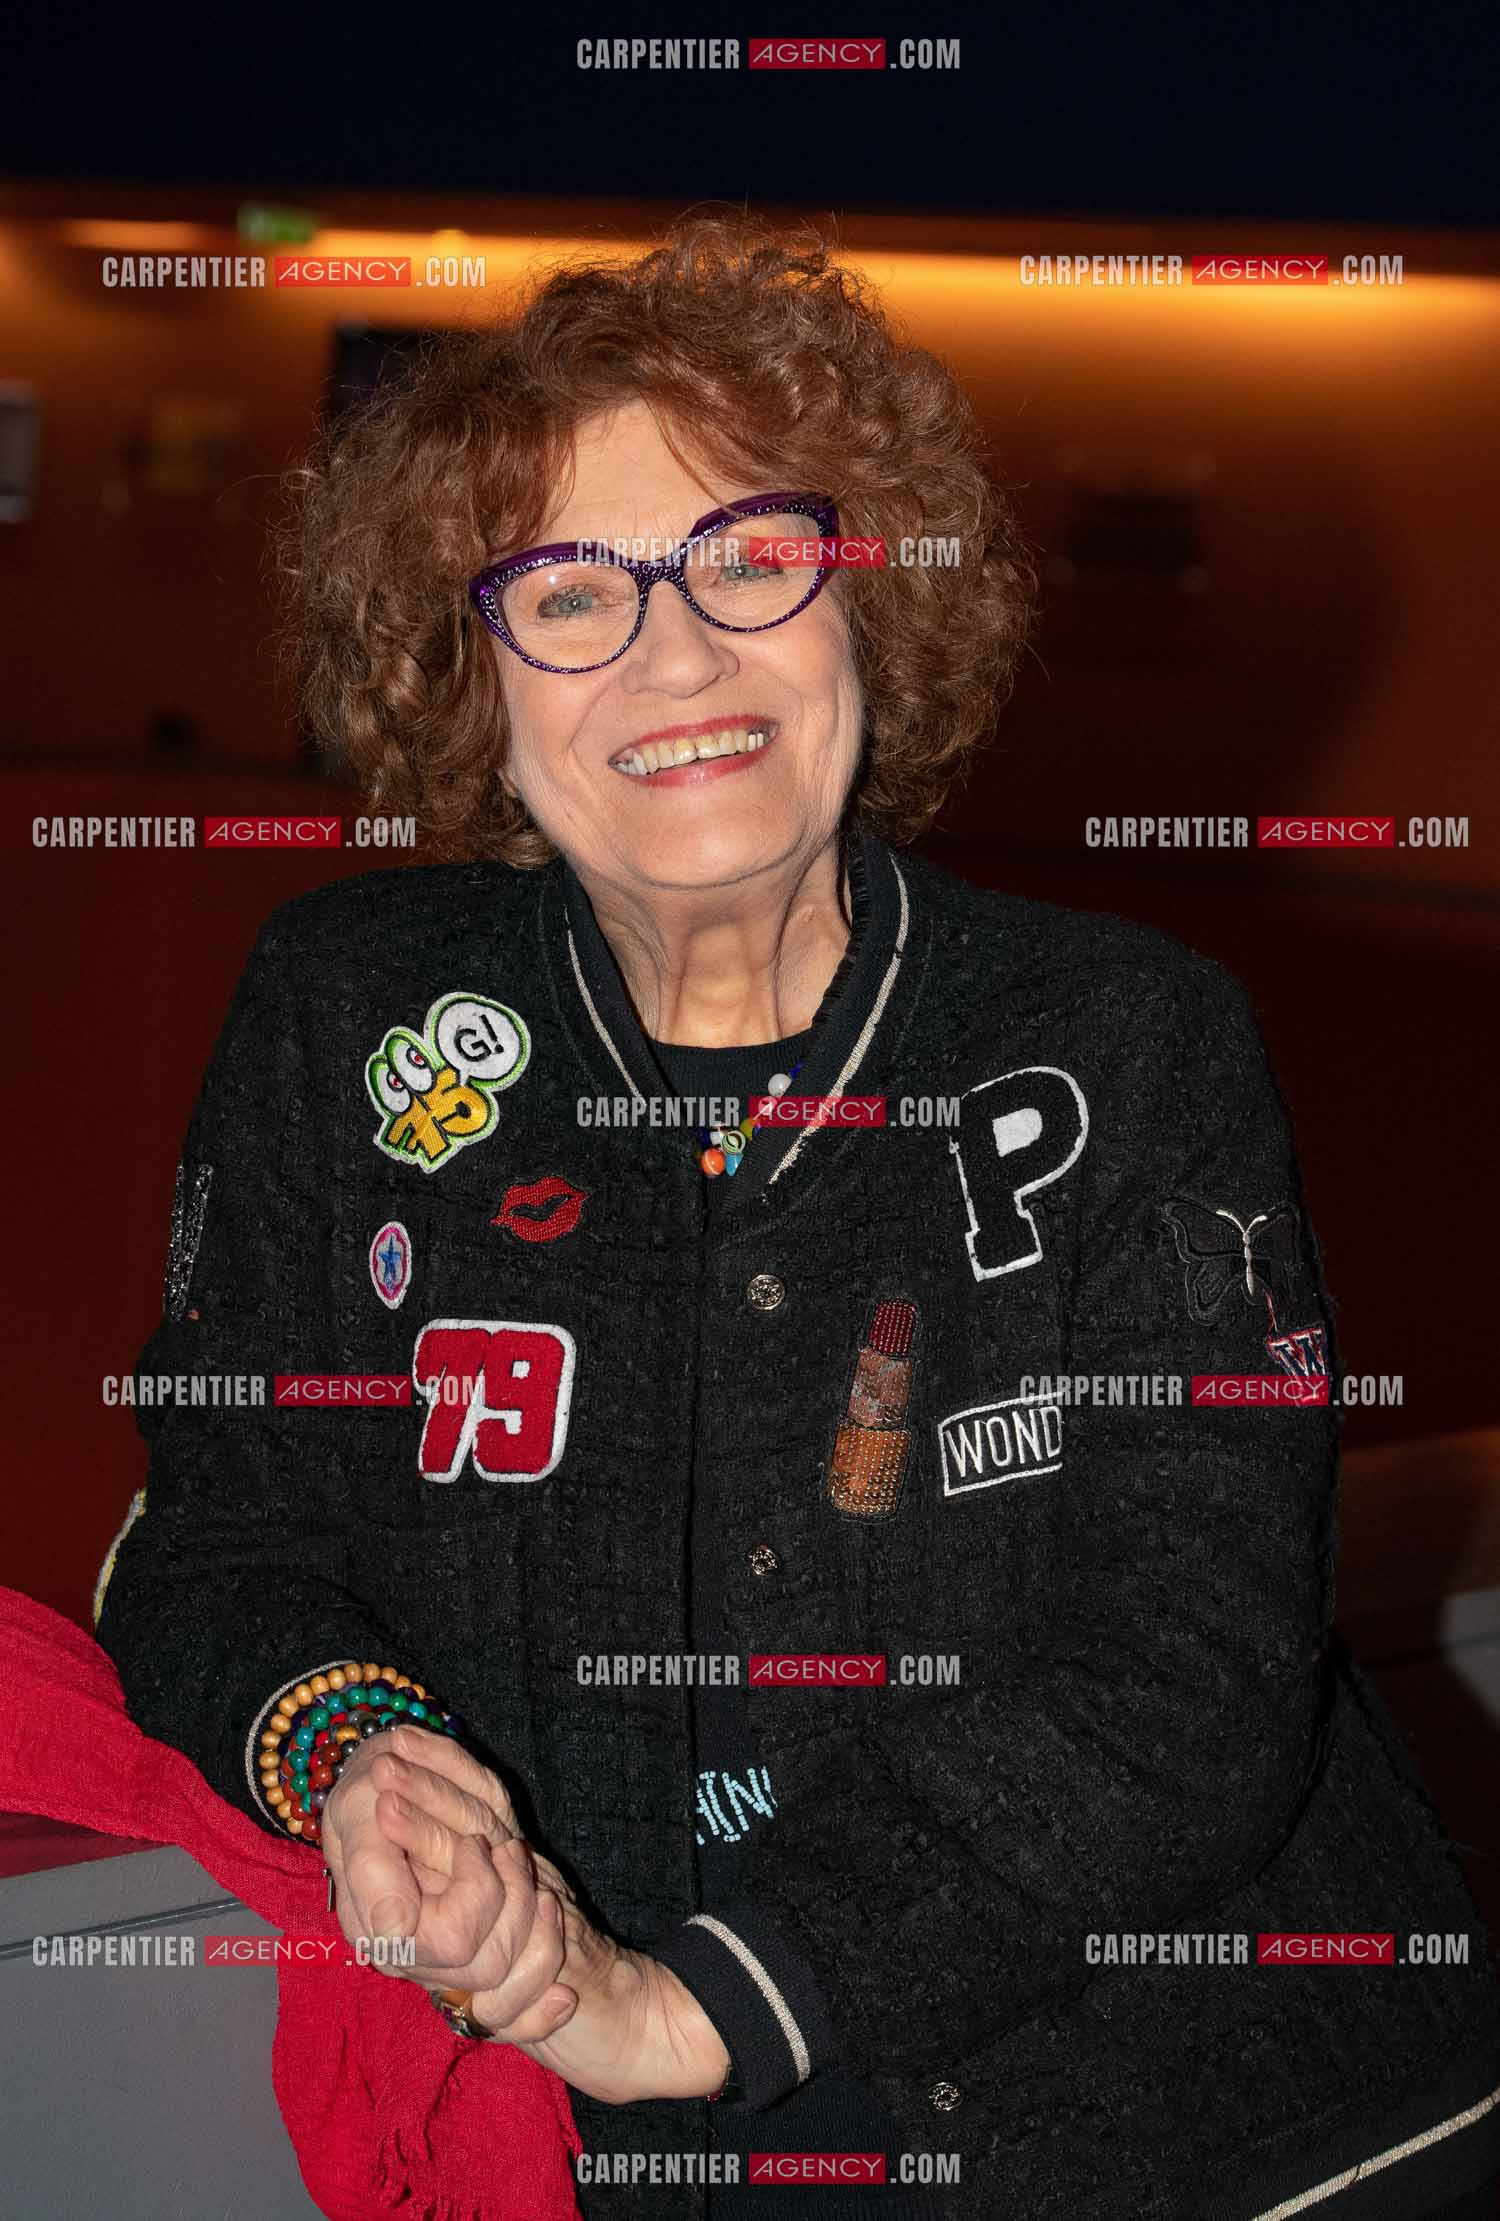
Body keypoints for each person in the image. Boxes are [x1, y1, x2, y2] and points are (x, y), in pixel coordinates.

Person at [96, 213, 1500, 2221]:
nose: (675, 654)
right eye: (565, 590)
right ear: (466, 673)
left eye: (753, 559)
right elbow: (216, 1537)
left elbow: (1188, 1677)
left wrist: (699, 2013)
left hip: (1215, 2146)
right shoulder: (352, 1017)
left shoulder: (1123, 1042)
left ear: (869, 607)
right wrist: (356, 1746)